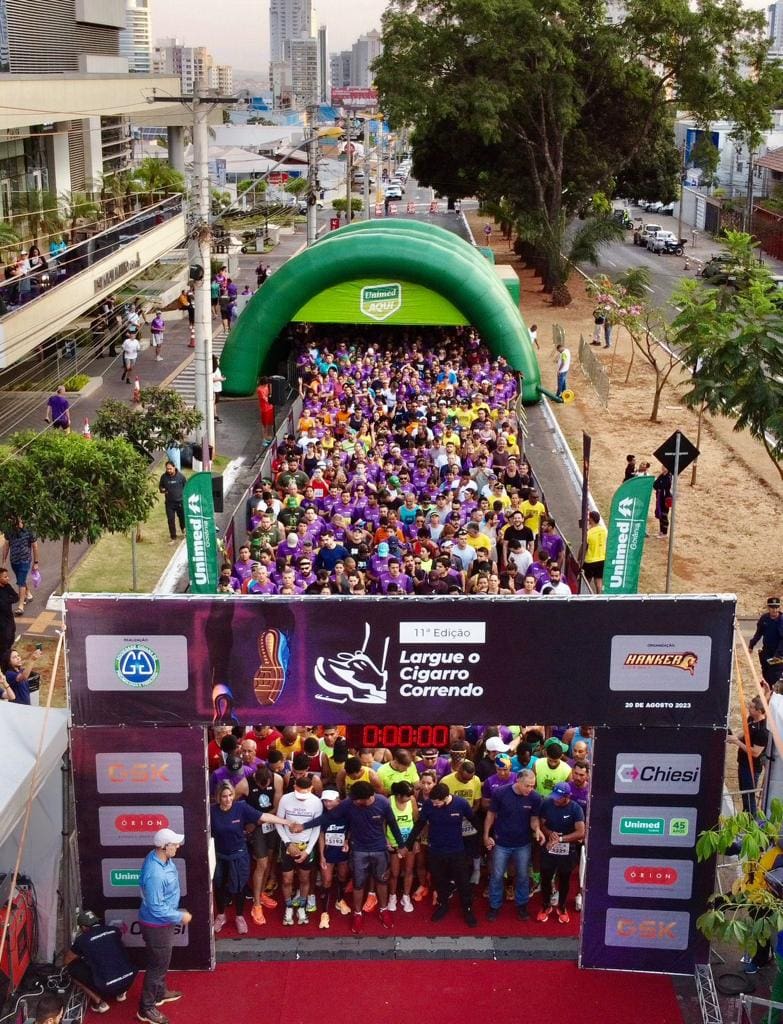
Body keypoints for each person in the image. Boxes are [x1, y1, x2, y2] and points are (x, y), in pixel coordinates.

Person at [303, 781, 405, 934]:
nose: (354, 801)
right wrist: (303, 826)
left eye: (357, 799)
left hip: (379, 849)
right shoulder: (349, 803)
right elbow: (328, 817)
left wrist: (401, 845)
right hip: (358, 851)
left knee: (382, 881)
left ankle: (384, 910)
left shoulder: (383, 803)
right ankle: (357, 914)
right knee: (358, 884)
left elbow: (392, 823)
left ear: (367, 797)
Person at [210, 781, 287, 935]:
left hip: (239, 854)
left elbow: (264, 816)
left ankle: (239, 917)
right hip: (219, 856)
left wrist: (286, 822)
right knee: (219, 886)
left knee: (239, 888)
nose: (228, 799)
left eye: (230, 795)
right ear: (218, 797)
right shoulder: (211, 811)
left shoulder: (241, 807)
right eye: (224, 796)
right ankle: (221, 915)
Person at [137, 827, 192, 1024]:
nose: (178, 846)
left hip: (162, 922)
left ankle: (159, 993)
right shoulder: (155, 874)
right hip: (157, 925)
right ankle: (146, 1008)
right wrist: (179, 916)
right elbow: (156, 907)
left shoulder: (160, 858)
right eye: (174, 844)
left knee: (161, 963)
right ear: (163, 847)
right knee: (157, 966)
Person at [406, 783, 478, 926]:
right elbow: (420, 824)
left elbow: (475, 821)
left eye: (437, 803)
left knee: (463, 882)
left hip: (457, 850)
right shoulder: (428, 805)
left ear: (446, 798)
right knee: (439, 881)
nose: (435, 805)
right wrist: (408, 843)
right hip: (436, 851)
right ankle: (443, 905)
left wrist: (484, 839)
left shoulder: (461, 803)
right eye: (433, 803)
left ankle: (467, 908)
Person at [484, 768, 544, 921]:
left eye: (533, 786)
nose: (530, 789)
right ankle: (494, 905)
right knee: (497, 875)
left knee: (523, 876)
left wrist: (537, 829)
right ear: (518, 781)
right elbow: (490, 815)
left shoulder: (535, 798)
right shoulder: (500, 793)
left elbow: (534, 819)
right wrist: (486, 835)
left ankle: (522, 905)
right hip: (501, 842)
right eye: (527, 786)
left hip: (523, 843)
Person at [274, 774, 323, 926]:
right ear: (294, 787)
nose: (301, 797)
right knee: (287, 880)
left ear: (311, 788)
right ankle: (288, 907)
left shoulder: (317, 803)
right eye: (298, 792)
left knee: (304, 879)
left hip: (306, 845)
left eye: (305, 793)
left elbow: (317, 828)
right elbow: (278, 822)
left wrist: (307, 851)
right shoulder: (285, 799)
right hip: (288, 844)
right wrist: (288, 843)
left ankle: (302, 906)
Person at [64, 909, 136, 1012]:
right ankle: (121, 993)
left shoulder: (82, 940)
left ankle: (99, 1003)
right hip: (129, 981)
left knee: (72, 968)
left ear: (83, 927)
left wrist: (84, 956)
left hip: (107, 988)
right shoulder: (114, 930)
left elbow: (67, 961)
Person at [536, 781, 585, 924]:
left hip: (567, 851)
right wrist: (550, 833)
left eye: (559, 797)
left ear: (567, 797)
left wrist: (561, 839)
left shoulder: (576, 809)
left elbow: (580, 832)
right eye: (554, 796)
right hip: (549, 849)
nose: (555, 799)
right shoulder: (547, 803)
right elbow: (541, 823)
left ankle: (562, 907)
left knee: (564, 880)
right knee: (545, 879)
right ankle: (545, 906)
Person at [728, 695, 769, 816]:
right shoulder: (751, 718)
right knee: (743, 793)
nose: (748, 708)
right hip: (742, 762)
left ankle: (752, 822)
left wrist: (737, 742)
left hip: (751, 768)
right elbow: (746, 731)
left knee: (749, 796)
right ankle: (746, 818)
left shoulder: (763, 731)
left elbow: (756, 753)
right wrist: (735, 737)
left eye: (751, 707)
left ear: (759, 711)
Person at [2, 517, 39, 615]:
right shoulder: (9, 531)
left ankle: (21, 606)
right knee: (20, 579)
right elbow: (6, 545)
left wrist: (36, 562)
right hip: (14, 560)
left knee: (21, 581)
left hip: (25, 560)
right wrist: (4, 560)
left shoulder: (29, 530)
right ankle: (28, 594)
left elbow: (35, 546)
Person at [750, 597, 783, 686]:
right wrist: (751, 645)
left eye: (776, 607)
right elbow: (758, 633)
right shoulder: (764, 619)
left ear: (779, 608)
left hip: (778, 653)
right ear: (768, 608)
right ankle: (766, 693)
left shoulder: (782, 621)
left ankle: (773, 695)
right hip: (767, 651)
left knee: (775, 675)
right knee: (766, 672)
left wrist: (778, 655)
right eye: (772, 607)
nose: (774, 610)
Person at [159, 461, 187, 544]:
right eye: (167, 469)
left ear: (174, 467)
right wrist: (162, 490)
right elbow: (160, 487)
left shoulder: (181, 477)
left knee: (182, 518)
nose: (169, 470)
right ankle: (173, 538)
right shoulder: (164, 477)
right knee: (170, 520)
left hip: (180, 502)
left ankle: (184, 531)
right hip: (169, 503)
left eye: (170, 469)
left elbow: (186, 488)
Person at [582, 509, 607, 594]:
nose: (588, 519)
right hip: (602, 559)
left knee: (586, 581)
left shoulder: (589, 533)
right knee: (599, 581)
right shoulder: (604, 530)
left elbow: (584, 547)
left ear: (591, 519)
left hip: (590, 560)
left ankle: (583, 597)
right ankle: (599, 598)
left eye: (589, 518)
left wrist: (579, 560)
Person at [0, 568, 17, 663]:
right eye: (5, 577)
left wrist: (6, 601)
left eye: (7, 576)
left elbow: (16, 597)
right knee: (4, 638)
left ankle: (7, 654)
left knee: (11, 635)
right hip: (1, 620)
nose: (8, 578)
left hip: (9, 617)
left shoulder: (7, 587)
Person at [653, 465, 673, 538]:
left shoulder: (669, 477)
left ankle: (665, 533)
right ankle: (661, 531)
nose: (663, 468)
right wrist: (659, 485)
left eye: (665, 467)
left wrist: (660, 485)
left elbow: (664, 486)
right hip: (659, 498)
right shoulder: (661, 475)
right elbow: (655, 485)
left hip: (665, 499)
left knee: (664, 515)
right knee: (660, 514)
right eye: (662, 466)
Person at [212, 357, 226, 423]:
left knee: (215, 403)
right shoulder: (212, 370)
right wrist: (220, 379)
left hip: (217, 388)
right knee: (213, 403)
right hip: (214, 389)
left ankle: (215, 415)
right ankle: (214, 415)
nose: (219, 362)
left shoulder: (217, 369)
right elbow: (212, 379)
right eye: (217, 361)